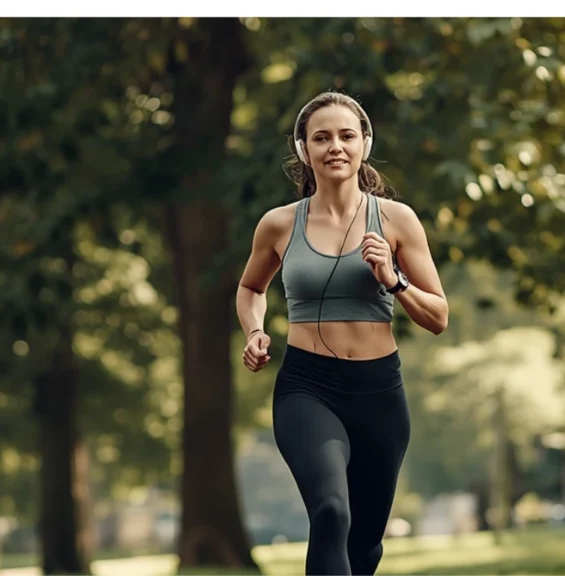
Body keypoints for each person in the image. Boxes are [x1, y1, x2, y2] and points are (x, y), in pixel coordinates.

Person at [235, 91, 449, 575]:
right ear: (304, 149)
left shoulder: (397, 220)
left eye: (347, 136)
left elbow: (438, 317)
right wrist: (254, 330)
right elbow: (250, 287)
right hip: (308, 388)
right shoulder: (279, 224)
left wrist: (394, 280)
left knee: (364, 543)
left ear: (365, 145)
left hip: (379, 392)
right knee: (331, 512)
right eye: (322, 137)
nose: (335, 146)